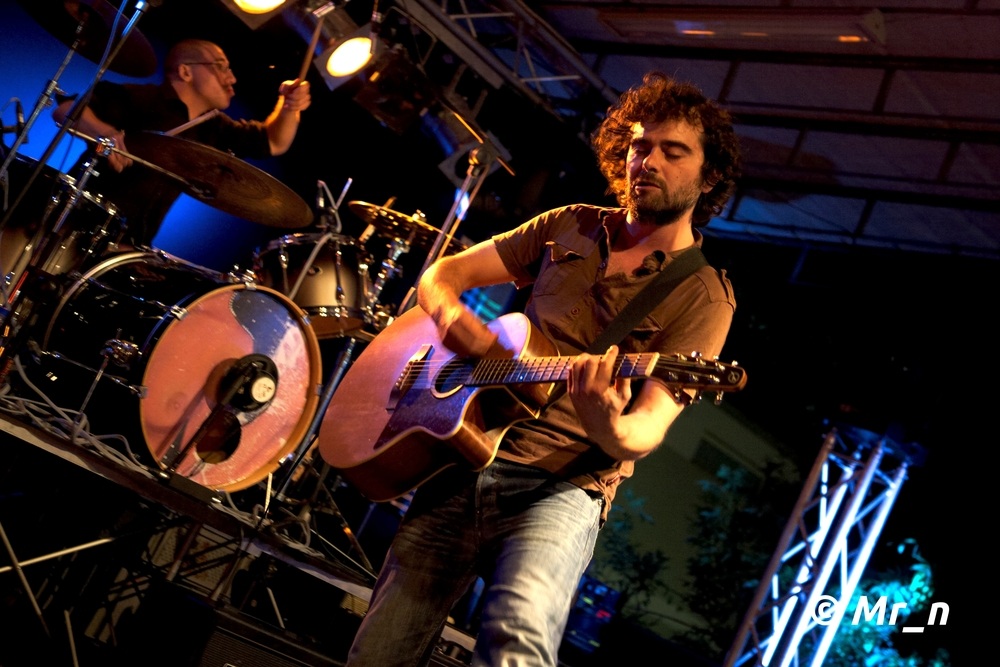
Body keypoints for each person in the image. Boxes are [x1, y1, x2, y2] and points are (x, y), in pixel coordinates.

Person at [344, 71, 742, 666]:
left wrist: (604, 418)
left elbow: (644, 431)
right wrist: (452, 317)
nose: (646, 161)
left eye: (672, 151)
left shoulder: (704, 296)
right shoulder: (569, 224)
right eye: (639, 145)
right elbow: (441, 275)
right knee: (378, 652)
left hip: (562, 490)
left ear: (708, 176)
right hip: (462, 457)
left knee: (517, 641)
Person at [50, 38, 311, 250]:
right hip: (69, 227)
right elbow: (66, 111)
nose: (231, 78)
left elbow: (275, 142)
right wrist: (106, 133)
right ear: (186, 71)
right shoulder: (143, 99)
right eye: (221, 66)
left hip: (129, 248)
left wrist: (289, 106)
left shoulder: (216, 128)